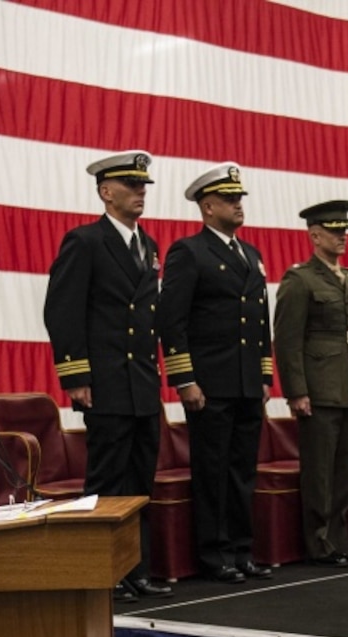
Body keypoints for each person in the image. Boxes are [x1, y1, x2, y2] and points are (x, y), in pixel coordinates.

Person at [43, 149, 171, 601]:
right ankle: (104, 570)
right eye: (132, 186)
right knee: (108, 479)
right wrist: (76, 376)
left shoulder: (149, 246)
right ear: (106, 191)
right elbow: (62, 311)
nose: (140, 193)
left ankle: (136, 569)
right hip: (106, 381)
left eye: (143, 186)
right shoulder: (85, 241)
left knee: (140, 481)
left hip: (141, 381)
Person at [154, 163, 274, 583]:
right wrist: (185, 379)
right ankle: (214, 553)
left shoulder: (251, 255)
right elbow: (173, 321)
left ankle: (242, 549)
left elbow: (261, 321)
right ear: (207, 206)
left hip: (243, 382)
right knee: (212, 470)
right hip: (210, 382)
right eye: (228, 199)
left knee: (242, 470)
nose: (238, 205)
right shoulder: (189, 252)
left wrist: (263, 376)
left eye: (239, 198)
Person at [273, 200, 348, 566]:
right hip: (318, 388)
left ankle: (340, 540)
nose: (342, 236)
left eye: (344, 230)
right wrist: (296, 391)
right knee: (319, 472)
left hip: (347, 387)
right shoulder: (300, 279)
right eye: (334, 231)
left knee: (344, 470)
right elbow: (287, 340)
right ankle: (319, 542)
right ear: (315, 235)